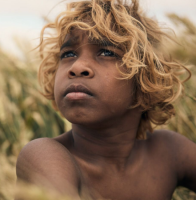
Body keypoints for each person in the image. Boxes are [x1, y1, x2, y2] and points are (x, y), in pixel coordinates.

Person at [16, 0, 196, 199]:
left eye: (107, 52)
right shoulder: (44, 155)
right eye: (69, 53)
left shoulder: (168, 151)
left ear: (146, 78)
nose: (77, 66)